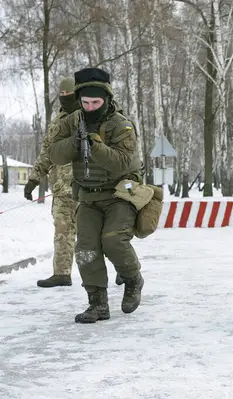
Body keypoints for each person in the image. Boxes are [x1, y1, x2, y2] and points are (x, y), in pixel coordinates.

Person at [47, 67, 144, 324]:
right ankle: (98, 304)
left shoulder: (120, 125)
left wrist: (95, 146)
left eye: (96, 102)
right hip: (87, 196)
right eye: (85, 102)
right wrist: (75, 143)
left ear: (107, 99)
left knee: (113, 241)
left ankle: (133, 279)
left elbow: (124, 163)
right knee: (86, 249)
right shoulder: (71, 121)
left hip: (119, 194)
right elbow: (54, 154)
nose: (89, 107)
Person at [25, 76, 79, 288]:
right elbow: (47, 151)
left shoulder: (87, 117)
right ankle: (62, 274)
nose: (65, 98)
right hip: (62, 189)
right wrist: (34, 178)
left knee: (96, 235)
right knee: (62, 230)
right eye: (62, 95)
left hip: (87, 188)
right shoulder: (57, 122)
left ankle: (124, 270)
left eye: (69, 94)